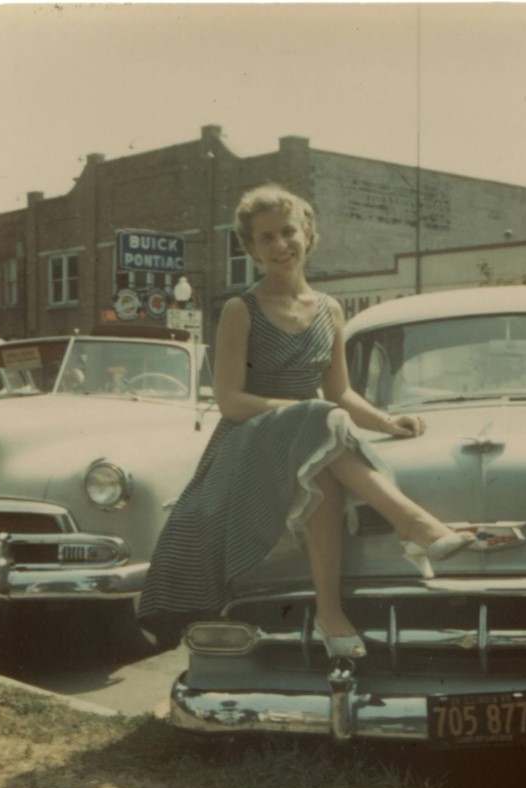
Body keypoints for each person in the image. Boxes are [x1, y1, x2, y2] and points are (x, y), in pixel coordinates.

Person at [138, 184, 475, 660]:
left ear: (308, 233)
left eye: (288, 232)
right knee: (319, 421)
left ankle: (330, 613)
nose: (280, 246)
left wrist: (386, 421)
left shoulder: (331, 310)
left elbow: (341, 393)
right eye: (266, 238)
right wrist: (303, 412)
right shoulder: (241, 310)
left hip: (314, 437)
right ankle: (417, 526)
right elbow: (231, 402)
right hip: (248, 439)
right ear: (252, 248)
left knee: (322, 462)